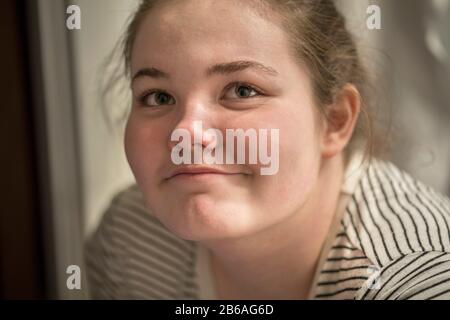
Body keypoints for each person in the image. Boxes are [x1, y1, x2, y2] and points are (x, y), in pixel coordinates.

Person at [85, 0, 450, 300]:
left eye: (242, 91)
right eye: (158, 96)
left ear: (335, 120)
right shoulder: (129, 239)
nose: (186, 133)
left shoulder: (417, 278)